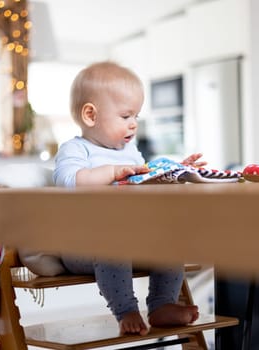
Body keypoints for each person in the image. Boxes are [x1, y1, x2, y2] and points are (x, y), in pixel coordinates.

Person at [53, 61, 204, 336]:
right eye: (125, 116)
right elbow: (68, 182)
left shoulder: (130, 152)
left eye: (136, 116)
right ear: (90, 115)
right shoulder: (76, 149)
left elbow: (145, 184)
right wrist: (111, 172)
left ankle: (161, 305)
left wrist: (173, 172)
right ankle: (126, 310)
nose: (134, 124)